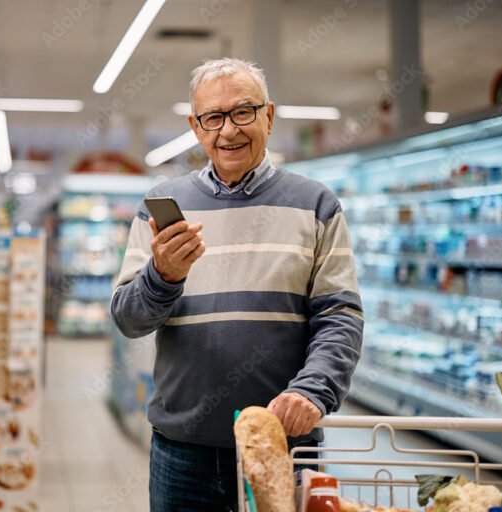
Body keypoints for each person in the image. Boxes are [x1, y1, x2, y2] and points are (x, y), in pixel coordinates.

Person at [110, 58, 363, 511]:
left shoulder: (316, 205)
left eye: (243, 112)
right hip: (182, 451)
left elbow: (339, 316)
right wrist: (162, 277)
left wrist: (313, 389)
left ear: (269, 115)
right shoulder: (161, 207)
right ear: (195, 126)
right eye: (213, 117)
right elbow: (128, 319)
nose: (228, 131)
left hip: (284, 443)